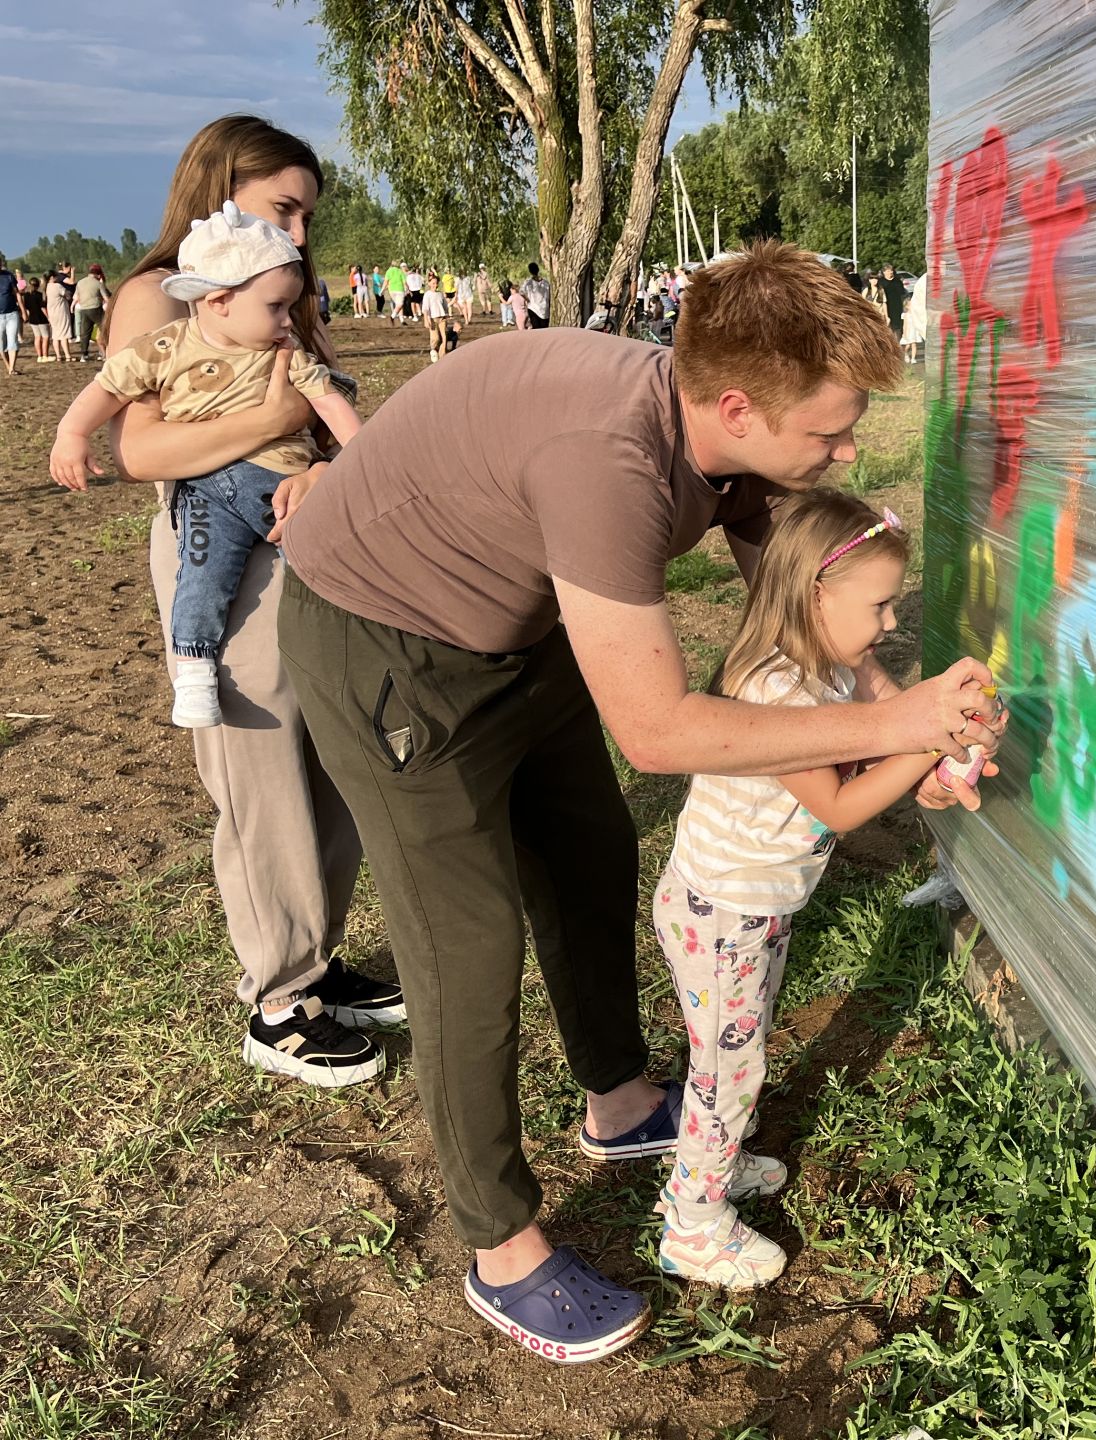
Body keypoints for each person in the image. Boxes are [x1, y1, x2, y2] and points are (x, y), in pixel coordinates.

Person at [275, 241, 1000, 1363]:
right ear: (736, 405)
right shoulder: (609, 460)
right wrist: (894, 732)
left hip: (516, 626)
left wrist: (919, 719)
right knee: (467, 943)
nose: (849, 451)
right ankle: (501, 1248)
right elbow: (657, 732)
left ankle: (619, 1105)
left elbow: (810, 614)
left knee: (589, 848)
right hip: (385, 641)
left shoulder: (727, 446)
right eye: (829, 432)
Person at [102, 114, 404, 1088]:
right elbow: (139, 451)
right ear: (221, 189)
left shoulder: (275, 291)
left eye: (308, 216)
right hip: (217, 557)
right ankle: (278, 1000)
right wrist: (275, 418)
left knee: (326, 753)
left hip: (299, 540)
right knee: (258, 766)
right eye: (285, 208)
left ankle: (316, 963)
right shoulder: (157, 297)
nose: (303, 236)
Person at [653, 489, 945, 1286]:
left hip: (752, 905)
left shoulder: (824, 663)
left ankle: (718, 1162)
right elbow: (842, 805)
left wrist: (933, 739)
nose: (891, 625)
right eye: (880, 606)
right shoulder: (779, 691)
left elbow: (883, 710)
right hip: (725, 913)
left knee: (730, 1058)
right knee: (728, 1070)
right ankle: (694, 1223)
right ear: (817, 593)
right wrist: (927, 745)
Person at [53, 203, 362, 732]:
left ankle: (343, 653)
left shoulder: (283, 351)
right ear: (218, 300)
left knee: (315, 571)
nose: (288, 320)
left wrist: (358, 456)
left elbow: (330, 402)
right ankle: (194, 669)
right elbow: (108, 387)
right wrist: (72, 433)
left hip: (282, 481)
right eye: (276, 306)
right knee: (201, 573)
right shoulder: (165, 348)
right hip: (205, 489)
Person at [74, 264, 111, 361]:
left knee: (85, 333)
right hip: (96, 309)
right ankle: (106, 352)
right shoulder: (98, 284)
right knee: (105, 329)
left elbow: (77, 297)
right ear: (98, 275)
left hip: (84, 309)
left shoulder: (80, 283)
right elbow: (106, 298)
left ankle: (84, 355)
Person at [46, 265, 75, 363]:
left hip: (52, 313)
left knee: (55, 335)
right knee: (64, 334)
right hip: (61, 312)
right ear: (51, 278)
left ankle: (58, 355)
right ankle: (67, 355)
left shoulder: (47, 287)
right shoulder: (57, 286)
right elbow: (67, 295)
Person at [901, 271, 927, 365]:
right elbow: (905, 324)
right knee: (908, 345)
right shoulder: (906, 315)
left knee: (914, 345)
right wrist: (905, 333)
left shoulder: (916, 313)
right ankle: (905, 353)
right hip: (909, 332)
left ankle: (913, 358)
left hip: (915, 331)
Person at [23, 277, 52, 362]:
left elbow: (27, 307)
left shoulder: (26, 295)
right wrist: (48, 318)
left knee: (37, 337)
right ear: (38, 285)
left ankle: (39, 356)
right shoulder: (40, 295)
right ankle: (45, 355)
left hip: (32, 318)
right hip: (41, 318)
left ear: (29, 284)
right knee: (46, 337)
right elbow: (43, 308)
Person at [421, 273, 448, 361]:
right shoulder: (427, 295)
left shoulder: (440, 294)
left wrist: (446, 314)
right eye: (433, 283)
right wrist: (426, 319)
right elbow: (425, 308)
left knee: (444, 337)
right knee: (435, 338)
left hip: (442, 318)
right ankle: (433, 350)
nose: (435, 285)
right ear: (429, 284)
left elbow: (445, 305)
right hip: (433, 319)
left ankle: (442, 355)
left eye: (436, 283)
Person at [0, 257, 19, 375]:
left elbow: (16, 293)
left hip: (12, 313)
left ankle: (12, 367)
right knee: (2, 343)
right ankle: (8, 366)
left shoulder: (9, 276)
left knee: (13, 341)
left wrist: (22, 309)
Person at [878, 263, 907, 340]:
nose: (890, 272)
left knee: (898, 327)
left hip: (897, 306)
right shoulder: (881, 282)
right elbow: (880, 296)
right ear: (884, 272)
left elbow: (903, 294)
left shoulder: (897, 281)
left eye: (891, 271)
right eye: (887, 271)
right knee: (888, 326)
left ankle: (898, 342)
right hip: (886, 306)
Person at [521, 261, 550, 329]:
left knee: (536, 328)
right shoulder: (546, 283)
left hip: (533, 307)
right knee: (544, 328)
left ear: (530, 271)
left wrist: (527, 299)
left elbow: (521, 292)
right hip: (544, 308)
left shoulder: (528, 282)